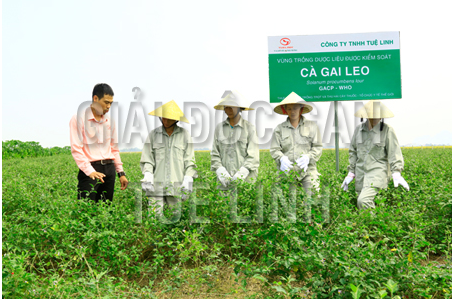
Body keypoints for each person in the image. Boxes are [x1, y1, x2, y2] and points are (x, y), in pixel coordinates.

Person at [341, 100, 409, 210]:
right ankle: (371, 226)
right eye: (371, 114)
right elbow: (353, 151)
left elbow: (394, 152)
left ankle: (371, 223)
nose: (373, 117)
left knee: (363, 201)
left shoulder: (387, 130)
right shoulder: (359, 130)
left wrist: (396, 172)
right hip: (361, 175)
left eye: (376, 114)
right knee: (362, 204)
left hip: (377, 174)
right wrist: (351, 172)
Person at [70, 83, 128, 203]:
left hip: (109, 169)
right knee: (86, 211)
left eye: (111, 103)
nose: (108, 106)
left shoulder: (109, 122)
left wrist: (120, 173)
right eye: (106, 102)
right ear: (95, 99)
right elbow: (77, 149)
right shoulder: (78, 119)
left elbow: (114, 149)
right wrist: (90, 171)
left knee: (105, 209)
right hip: (90, 170)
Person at [140, 100, 197, 217]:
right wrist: (148, 174)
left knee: (175, 220)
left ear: (176, 119)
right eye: (163, 118)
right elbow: (148, 159)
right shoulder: (153, 135)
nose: (165, 121)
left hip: (177, 187)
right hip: (156, 186)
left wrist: (188, 179)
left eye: (169, 118)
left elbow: (190, 161)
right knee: (154, 220)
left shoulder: (184, 135)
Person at [270, 92, 323, 196]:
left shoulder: (312, 126)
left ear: (301, 109)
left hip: (308, 171)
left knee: (313, 196)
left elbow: (318, 147)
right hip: (287, 172)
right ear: (285, 110)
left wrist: (309, 157)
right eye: (289, 109)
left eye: (295, 108)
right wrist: (281, 158)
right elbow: (274, 149)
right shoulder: (279, 129)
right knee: (286, 200)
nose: (292, 111)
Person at [211, 90, 259, 190]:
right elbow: (215, 153)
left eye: (232, 107)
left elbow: (253, 155)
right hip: (224, 184)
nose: (229, 110)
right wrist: (220, 171)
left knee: (243, 204)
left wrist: (242, 172)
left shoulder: (249, 128)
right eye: (226, 107)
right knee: (223, 204)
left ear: (239, 108)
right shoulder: (219, 128)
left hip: (245, 182)